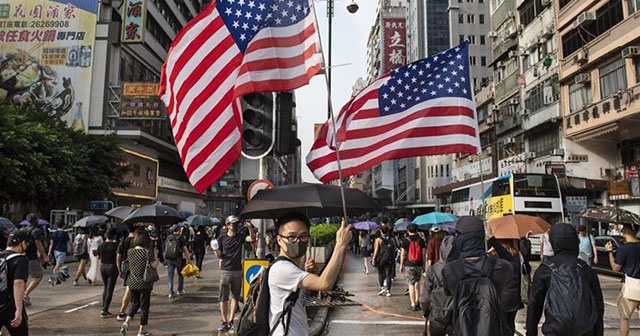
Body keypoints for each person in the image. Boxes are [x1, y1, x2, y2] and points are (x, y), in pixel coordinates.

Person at [268, 212, 352, 336]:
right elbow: (324, 284)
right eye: (291, 237)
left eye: (303, 236)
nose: (298, 241)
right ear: (279, 240)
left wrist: (308, 273)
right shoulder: (282, 269)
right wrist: (340, 245)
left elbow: (302, 296)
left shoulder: (292, 268)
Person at [526, 223, 604, 336]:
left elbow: (534, 304)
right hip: (585, 329)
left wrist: (531, 332)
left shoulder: (546, 268)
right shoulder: (585, 268)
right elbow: (598, 305)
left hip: (556, 329)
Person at [442, 216, 513, 335]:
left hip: (463, 329)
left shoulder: (450, 270)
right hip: (492, 329)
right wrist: (492, 240)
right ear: (482, 237)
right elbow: (513, 263)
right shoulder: (500, 267)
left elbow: (447, 292)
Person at [213, 215, 255, 332]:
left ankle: (231, 320)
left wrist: (250, 228)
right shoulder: (221, 238)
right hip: (225, 270)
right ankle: (224, 321)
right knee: (223, 297)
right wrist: (216, 250)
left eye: (236, 224)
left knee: (235, 297)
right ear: (227, 226)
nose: (235, 226)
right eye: (232, 224)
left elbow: (251, 239)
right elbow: (220, 256)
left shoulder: (240, 237)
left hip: (237, 270)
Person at [119, 231, 158, 336]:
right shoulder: (147, 252)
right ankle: (142, 330)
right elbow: (154, 266)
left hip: (132, 282)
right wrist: (156, 255)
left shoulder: (130, 252)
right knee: (144, 307)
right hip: (144, 283)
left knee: (134, 303)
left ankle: (126, 322)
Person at [605, 224, 640, 336]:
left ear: (624, 231)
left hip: (630, 287)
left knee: (624, 317)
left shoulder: (624, 249)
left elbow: (616, 268)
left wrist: (610, 252)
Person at [488, 236, 524, 335]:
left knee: (500, 325)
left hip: (500, 296)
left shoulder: (493, 256)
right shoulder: (516, 254)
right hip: (514, 296)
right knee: (510, 323)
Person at [421, 235, 455, 336]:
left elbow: (425, 298)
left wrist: (425, 311)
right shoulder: (461, 269)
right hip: (455, 317)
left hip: (436, 316)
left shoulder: (433, 269)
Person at [0, 229, 30, 336]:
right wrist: (18, 309)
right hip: (10, 307)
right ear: (22, 243)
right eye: (26, 243)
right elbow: (18, 283)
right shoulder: (20, 260)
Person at [23, 213, 49, 307]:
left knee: (23, 278)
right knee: (38, 276)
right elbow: (38, 245)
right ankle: (25, 294)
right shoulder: (36, 231)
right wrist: (45, 256)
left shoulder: (23, 230)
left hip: (22, 256)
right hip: (31, 257)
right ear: (36, 220)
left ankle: (21, 296)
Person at [400, 223, 426, 311]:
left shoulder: (405, 240)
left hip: (409, 264)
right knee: (417, 282)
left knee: (410, 284)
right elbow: (423, 253)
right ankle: (417, 302)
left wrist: (401, 264)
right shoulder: (421, 240)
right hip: (418, 264)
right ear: (417, 230)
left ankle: (412, 304)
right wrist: (423, 265)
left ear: (408, 231)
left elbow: (403, 254)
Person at [116, 226, 137, 321]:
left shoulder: (123, 241)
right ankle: (122, 312)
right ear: (136, 230)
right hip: (133, 266)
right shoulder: (136, 241)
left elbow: (118, 256)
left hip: (125, 266)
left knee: (132, 289)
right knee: (129, 289)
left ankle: (133, 307)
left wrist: (119, 269)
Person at [165, 224, 191, 298]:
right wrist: (188, 258)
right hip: (178, 258)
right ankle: (179, 289)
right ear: (179, 230)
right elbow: (185, 249)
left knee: (170, 275)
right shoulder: (180, 238)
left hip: (169, 258)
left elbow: (165, 248)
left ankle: (170, 292)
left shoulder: (169, 237)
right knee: (180, 274)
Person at [99, 229, 119, 318]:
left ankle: (103, 307)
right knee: (110, 289)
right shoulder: (115, 246)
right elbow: (118, 257)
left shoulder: (101, 245)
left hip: (103, 266)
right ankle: (105, 309)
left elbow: (99, 256)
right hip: (112, 266)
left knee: (105, 287)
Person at [372, 225, 395, 297]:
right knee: (388, 275)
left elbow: (376, 250)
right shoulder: (392, 239)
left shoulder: (378, 239)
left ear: (380, 231)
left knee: (380, 273)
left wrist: (373, 259)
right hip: (389, 259)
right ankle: (388, 290)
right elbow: (394, 248)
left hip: (381, 259)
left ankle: (382, 288)